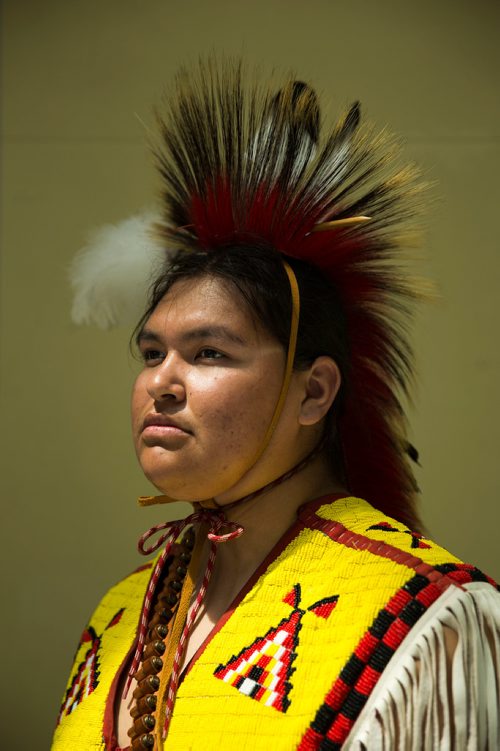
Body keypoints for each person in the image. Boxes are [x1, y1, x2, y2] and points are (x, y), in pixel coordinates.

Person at [52, 60, 500, 750]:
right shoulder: (120, 616)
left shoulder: (425, 617)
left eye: (208, 353)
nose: (161, 382)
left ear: (314, 391)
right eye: (150, 353)